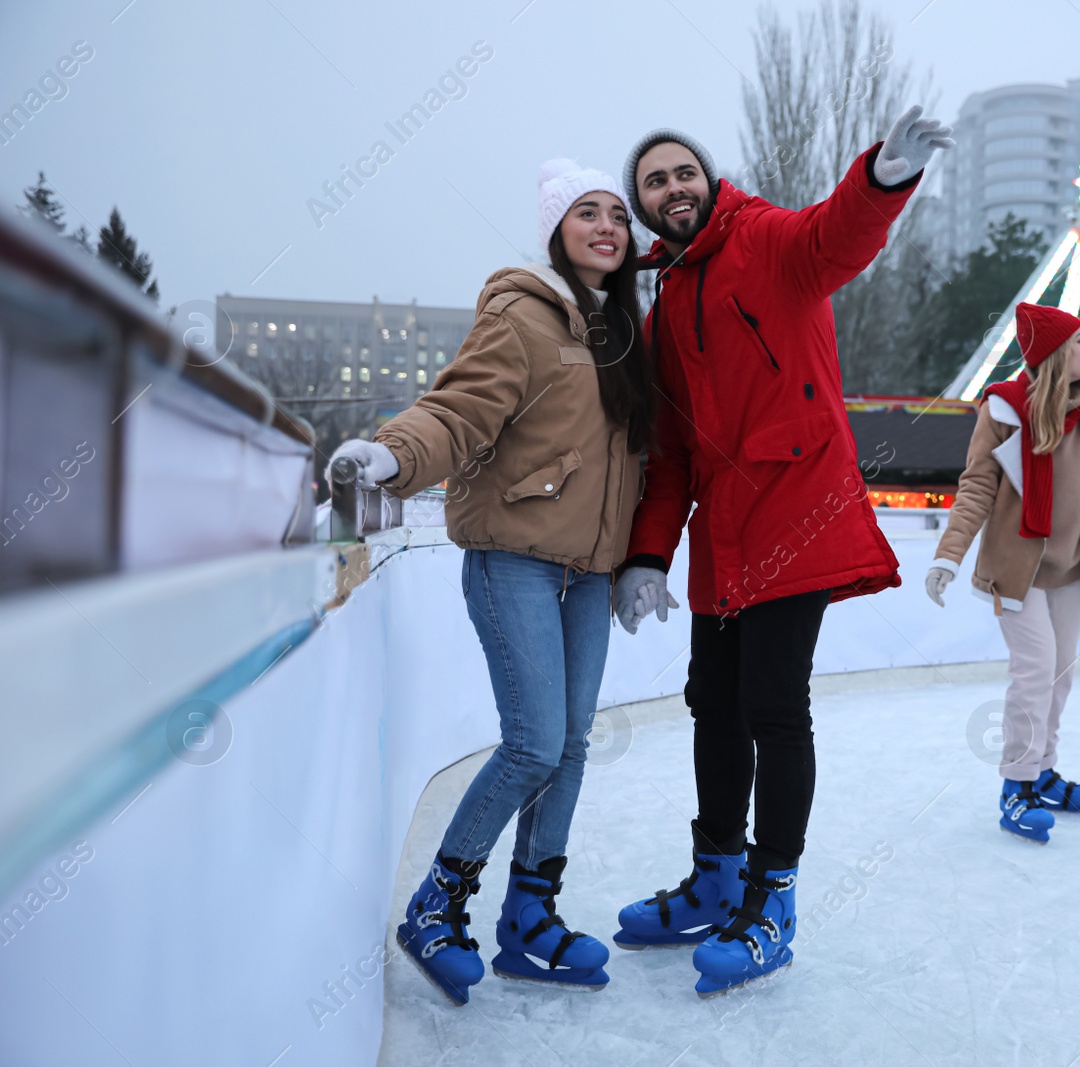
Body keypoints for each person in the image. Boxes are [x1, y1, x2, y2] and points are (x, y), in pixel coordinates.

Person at [606, 107, 952, 996]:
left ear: (709, 180)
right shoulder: (667, 299)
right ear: (644, 205)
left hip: (796, 511)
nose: (673, 187)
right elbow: (673, 452)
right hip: (723, 531)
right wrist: (649, 554)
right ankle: (715, 877)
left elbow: (837, 237)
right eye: (655, 180)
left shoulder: (766, 238)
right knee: (710, 700)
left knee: (770, 702)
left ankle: (773, 898)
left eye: (684, 172)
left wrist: (881, 176)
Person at [324, 159, 655, 1002]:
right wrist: (392, 454)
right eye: (589, 212)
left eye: (618, 215)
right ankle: (437, 904)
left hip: (588, 573)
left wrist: (636, 558)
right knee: (534, 742)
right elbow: (458, 410)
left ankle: (530, 919)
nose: (608, 227)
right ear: (556, 228)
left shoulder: (622, 333)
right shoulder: (520, 317)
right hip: (513, 557)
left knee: (572, 746)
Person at [925, 303, 1080, 844]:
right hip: (1016, 571)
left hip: (1068, 568)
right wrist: (949, 555)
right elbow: (976, 487)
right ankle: (1015, 786)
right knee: (1035, 669)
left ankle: (1041, 770)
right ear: (1057, 352)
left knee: (1061, 673)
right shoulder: (1004, 412)